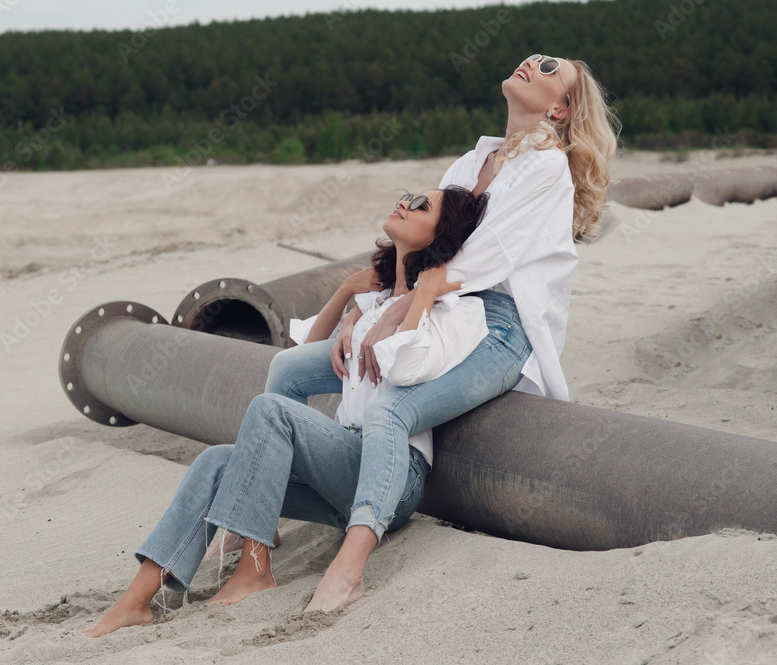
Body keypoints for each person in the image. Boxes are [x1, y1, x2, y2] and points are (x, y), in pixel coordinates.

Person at [261, 53, 620, 611]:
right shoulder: (471, 161)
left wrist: (404, 305)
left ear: (560, 107)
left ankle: (350, 566)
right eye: (531, 57)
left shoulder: (546, 168)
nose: (531, 62)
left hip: (499, 328)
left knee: (390, 410)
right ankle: (260, 520)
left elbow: (486, 257)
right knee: (286, 369)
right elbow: (421, 245)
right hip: (433, 311)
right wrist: (364, 309)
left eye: (549, 68)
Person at [78, 184, 490, 638]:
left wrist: (422, 297)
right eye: (407, 195)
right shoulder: (374, 303)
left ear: (440, 234)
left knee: (271, 411)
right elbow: (298, 362)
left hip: (394, 476)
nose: (404, 202)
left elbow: (409, 368)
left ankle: (255, 568)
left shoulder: (452, 306)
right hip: (341, 473)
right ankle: (138, 598)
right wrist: (350, 296)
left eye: (420, 205)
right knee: (216, 460)